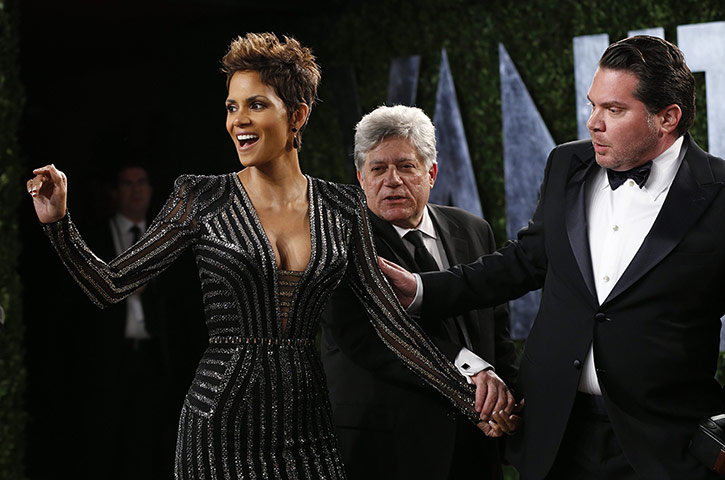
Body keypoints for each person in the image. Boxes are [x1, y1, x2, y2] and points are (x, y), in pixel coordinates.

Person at [27, 32, 502, 480]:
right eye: (232, 107)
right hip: (217, 423)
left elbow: (392, 326)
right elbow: (108, 286)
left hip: (310, 426)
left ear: (298, 115)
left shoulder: (341, 208)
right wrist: (58, 223)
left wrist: (469, 397)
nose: (239, 121)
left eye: (257, 105)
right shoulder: (201, 197)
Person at [379, 35, 725, 480]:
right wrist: (425, 288)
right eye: (593, 105)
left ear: (667, 118)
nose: (593, 123)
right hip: (556, 434)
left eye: (614, 110)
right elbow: (522, 262)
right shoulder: (567, 165)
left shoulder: (718, 194)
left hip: (666, 446)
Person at [321, 105, 518, 480]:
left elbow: (496, 331)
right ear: (360, 179)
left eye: (406, 166)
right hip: (386, 451)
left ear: (431, 173)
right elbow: (373, 336)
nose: (391, 180)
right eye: (378, 169)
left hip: (477, 444)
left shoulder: (473, 229)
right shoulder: (339, 243)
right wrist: (472, 374)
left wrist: (507, 405)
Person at [78, 163, 175, 479]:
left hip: (153, 361)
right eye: (127, 183)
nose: (135, 190)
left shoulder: (167, 238)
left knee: (147, 447)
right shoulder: (94, 239)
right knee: (104, 448)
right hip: (108, 360)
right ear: (115, 191)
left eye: (141, 182)